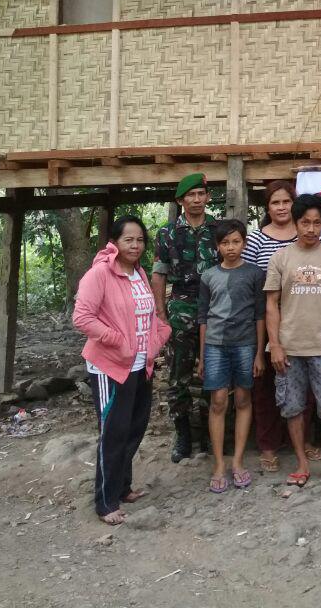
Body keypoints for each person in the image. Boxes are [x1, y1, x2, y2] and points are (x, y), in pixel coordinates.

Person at [73, 216, 172, 526]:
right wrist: (118, 341)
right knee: (113, 433)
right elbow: (82, 317)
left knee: (134, 427)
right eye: (129, 239)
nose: (135, 245)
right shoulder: (99, 274)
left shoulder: (139, 272)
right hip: (110, 366)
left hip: (141, 364)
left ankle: (123, 487)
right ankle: (105, 502)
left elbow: (150, 315)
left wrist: (159, 337)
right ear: (114, 242)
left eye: (140, 239)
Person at [266, 193, 321, 485]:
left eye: (317, 223)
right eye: (305, 222)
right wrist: (275, 345)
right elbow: (271, 304)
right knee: (292, 407)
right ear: (296, 222)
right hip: (289, 348)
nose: (311, 229)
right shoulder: (281, 258)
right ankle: (302, 464)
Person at [244, 180, 319, 473]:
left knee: (306, 385)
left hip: (303, 320)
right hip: (266, 320)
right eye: (275, 203)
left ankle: (304, 441)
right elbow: (250, 283)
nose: (281, 208)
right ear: (267, 207)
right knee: (265, 386)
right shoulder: (255, 240)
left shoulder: (305, 236)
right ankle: (268, 445)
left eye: (286, 202)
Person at [151, 173, 219, 463]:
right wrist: (161, 315)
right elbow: (159, 273)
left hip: (215, 309)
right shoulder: (167, 233)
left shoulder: (218, 229)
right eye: (190, 195)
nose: (197, 200)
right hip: (180, 308)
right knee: (178, 377)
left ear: (207, 197)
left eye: (201, 194)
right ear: (180, 200)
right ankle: (183, 435)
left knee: (211, 374)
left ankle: (206, 433)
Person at [197, 219, 266, 493]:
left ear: (245, 243)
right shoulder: (208, 275)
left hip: (246, 344)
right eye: (225, 242)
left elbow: (260, 315)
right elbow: (202, 317)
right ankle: (218, 464)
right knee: (217, 401)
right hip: (215, 345)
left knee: (243, 398)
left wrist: (260, 352)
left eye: (236, 241)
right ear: (217, 246)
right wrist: (202, 355)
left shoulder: (254, 274)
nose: (231, 247)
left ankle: (237, 461)